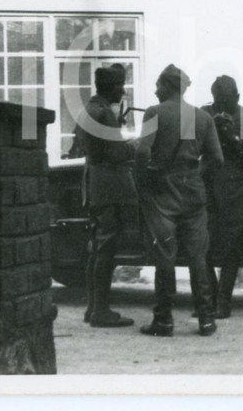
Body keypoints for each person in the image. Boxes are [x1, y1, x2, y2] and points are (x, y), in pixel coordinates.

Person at [135, 64, 224, 337]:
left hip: (163, 192)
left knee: (165, 256)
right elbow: (217, 159)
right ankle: (206, 319)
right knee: (198, 257)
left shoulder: (154, 112)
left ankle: (163, 321)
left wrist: (144, 182)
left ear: (168, 86)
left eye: (158, 85)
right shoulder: (202, 117)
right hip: (193, 192)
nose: (155, 90)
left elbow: (141, 152)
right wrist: (196, 172)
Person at [76, 63, 137, 328]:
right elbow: (116, 154)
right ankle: (101, 311)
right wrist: (134, 145)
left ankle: (93, 308)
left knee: (97, 248)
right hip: (109, 187)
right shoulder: (104, 113)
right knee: (106, 248)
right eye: (120, 86)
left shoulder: (90, 109)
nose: (123, 91)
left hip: (96, 185)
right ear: (109, 87)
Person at [201, 75, 243, 319]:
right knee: (201, 246)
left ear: (237, 98)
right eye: (218, 103)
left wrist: (233, 138)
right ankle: (210, 299)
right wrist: (209, 130)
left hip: (236, 189)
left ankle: (223, 302)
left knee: (231, 247)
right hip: (206, 186)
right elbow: (189, 147)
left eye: (226, 103)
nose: (221, 109)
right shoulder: (204, 115)